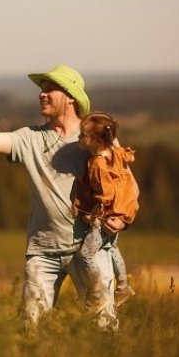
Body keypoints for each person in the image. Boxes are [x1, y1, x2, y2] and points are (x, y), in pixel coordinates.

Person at [0, 65, 124, 329]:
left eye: (50, 89)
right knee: (33, 328)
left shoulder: (97, 138)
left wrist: (121, 219)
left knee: (103, 327)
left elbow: (126, 186)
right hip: (43, 251)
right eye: (41, 90)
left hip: (91, 248)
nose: (42, 94)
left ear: (71, 97)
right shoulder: (29, 138)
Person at [73, 112, 139, 309]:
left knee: (85, 254)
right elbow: (128, 159)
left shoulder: (96, 164)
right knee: (111, 249)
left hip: (104, 218)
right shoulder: (117, 154)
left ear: (97, 140)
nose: (79, 138)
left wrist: (96, 215)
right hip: (119, 214)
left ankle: (96, 287)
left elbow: (106, 193)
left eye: (83, 135)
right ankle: (123, 285)